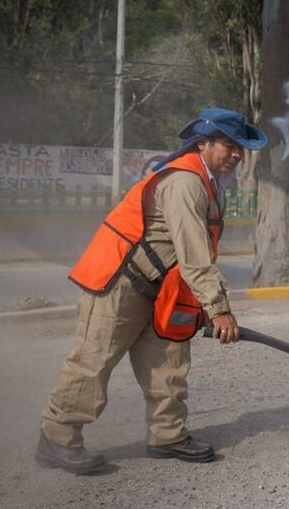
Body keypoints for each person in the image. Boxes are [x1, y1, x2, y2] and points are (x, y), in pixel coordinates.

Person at [36, 108, 267, 474]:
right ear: (204, 143)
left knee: (168, 360)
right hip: (119, 283)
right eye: (230, 145)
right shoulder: (186, 182)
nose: (237, 154)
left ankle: (167, 435)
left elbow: (189, 256)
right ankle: (57, 439)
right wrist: (219, 308)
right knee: (93, 362)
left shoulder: (208, 182)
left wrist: (207, 305)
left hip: (158, 288)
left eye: (241, 147)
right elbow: (195, 256)